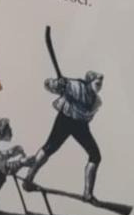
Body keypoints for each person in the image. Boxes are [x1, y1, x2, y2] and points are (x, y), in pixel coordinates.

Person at [20, 70, 105, 200]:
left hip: (81, 126)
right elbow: (48, 84)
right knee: (49, 148)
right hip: (65, 120)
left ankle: (88, 194)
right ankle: (28, 180)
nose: (99, 87)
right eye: (97, 83)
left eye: (100, 84)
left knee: (95, 156)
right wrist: (57, 84)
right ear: (89, 82)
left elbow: (87, 116)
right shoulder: (75, 85)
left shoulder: (97, 101)